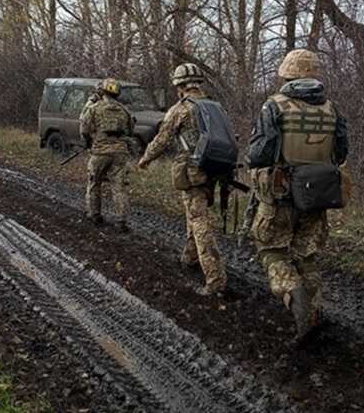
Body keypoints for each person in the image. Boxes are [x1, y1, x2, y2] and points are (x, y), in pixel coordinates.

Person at [245, 49, 348, 341]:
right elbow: (341, 152)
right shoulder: (332, 109)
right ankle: (314, 311)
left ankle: (293, 291)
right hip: (318, 195)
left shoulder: (275, 106)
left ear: (287, 75)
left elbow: (260, 153)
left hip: (281, 193)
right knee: (307, 253)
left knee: (271, 249)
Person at [138, 63, 227, 296]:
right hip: (213, 169)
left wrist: (145, 159)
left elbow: (162, 139)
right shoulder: (214, 106)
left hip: (192, 169)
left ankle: (215, 278)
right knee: (194, 212)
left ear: (179, 86)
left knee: (199, 221)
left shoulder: (181, 109)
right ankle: (189, 257)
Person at [80, 78, 135, 232]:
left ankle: (94, 215)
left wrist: (88, 142)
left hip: (99, 152)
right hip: (120, 153)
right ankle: (121, 221)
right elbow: (130, 131)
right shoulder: (125, 110)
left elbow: (84, 129)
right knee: (120, 187)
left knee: (94, 183)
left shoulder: (94, 108)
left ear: (102, 92)